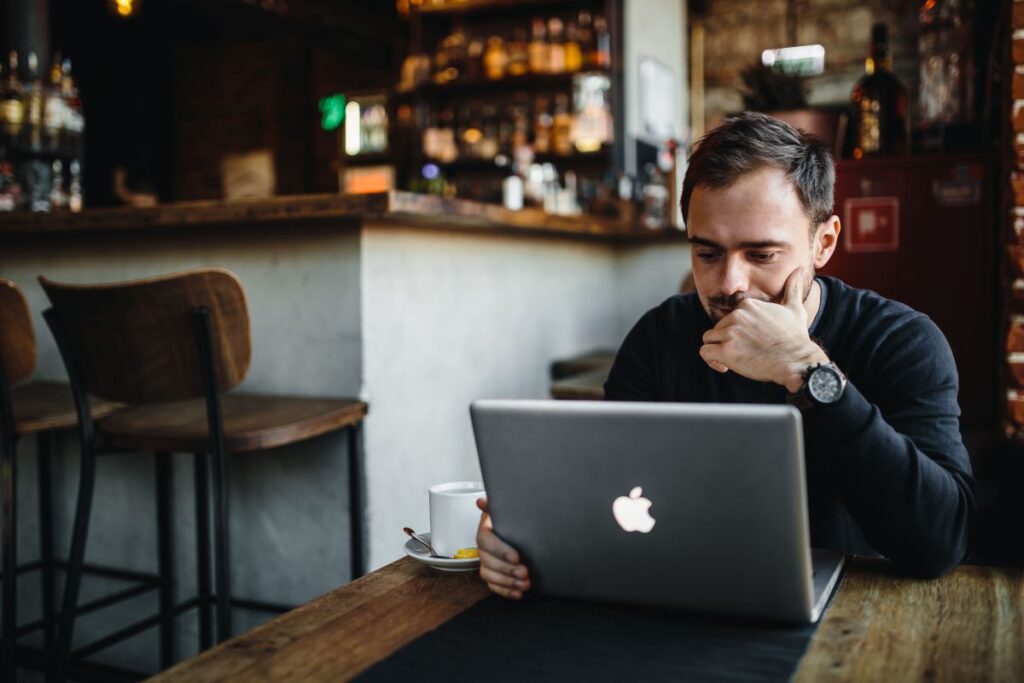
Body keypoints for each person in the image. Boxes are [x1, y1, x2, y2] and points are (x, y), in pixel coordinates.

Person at [476, 112, 976, 599]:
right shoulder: (658, 337)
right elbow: (612, 491)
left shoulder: (902, 340)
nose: (730, 284)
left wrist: (807, 370)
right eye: (707, 253)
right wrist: (524, 534)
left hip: (849, 619)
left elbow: (937, 544)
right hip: (682, 601)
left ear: (823, 243)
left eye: (761, 255)